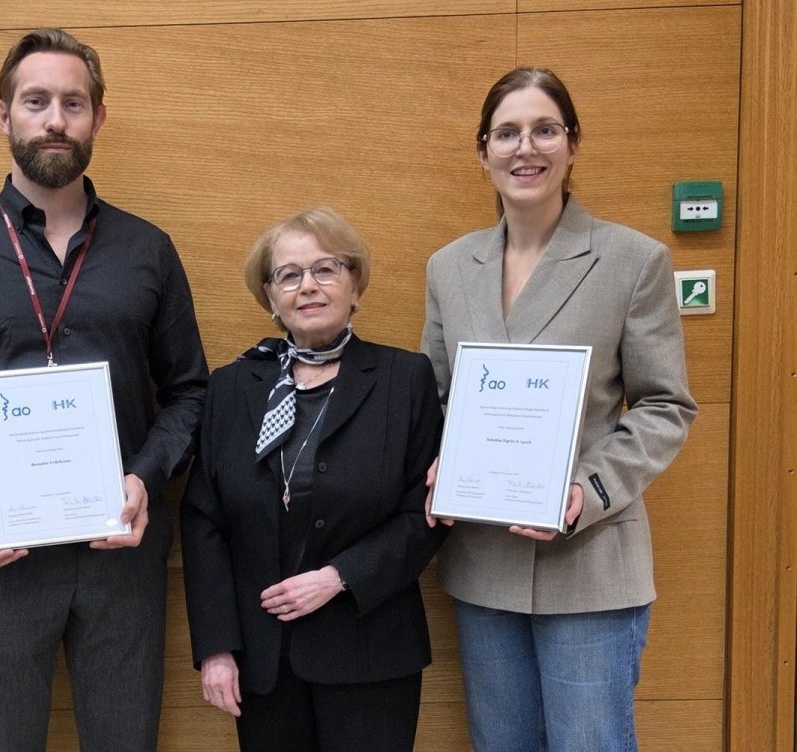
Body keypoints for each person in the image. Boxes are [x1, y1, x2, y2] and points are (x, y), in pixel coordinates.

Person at [0, 28, 208, 752]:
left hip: (122, 554)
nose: (55, 120)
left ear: (98, 117)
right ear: (2, 114)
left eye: (73, 104)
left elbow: (190, 394)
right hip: (0, 558)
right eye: (35, 101)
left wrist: (145, 477)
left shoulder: (148, 249)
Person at [422, 67, 698, 750]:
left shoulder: (633, 261)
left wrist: (584, 490)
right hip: (485, 562)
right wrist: (441, 461)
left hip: (591, 564)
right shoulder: (449, 267)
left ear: (573, 144)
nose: (526, 148)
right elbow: (438, 397)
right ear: (482, 151)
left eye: (544, 130)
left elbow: (665, 405)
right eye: (507, 133)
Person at [181, 207, 447, 752]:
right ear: (270, 296)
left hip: (371, 650)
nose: (308, 286)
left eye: (326, 269)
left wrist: (338, 577)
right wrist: (216, 647)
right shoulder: (231, 387)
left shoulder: (405, 379)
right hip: (263, 662)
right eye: (289, 275)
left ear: (355, 284)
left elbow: (425, 513)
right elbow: (203, 520)